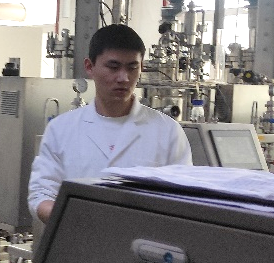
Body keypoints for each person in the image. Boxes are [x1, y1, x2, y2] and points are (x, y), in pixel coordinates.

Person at [29, 24, 192, 222]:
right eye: (113, 67)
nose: (123, 78)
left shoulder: (168, 131)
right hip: (78, 235)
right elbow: (42, 194)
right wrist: (77, 219)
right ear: (89, 67)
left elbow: (184, 198)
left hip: (144, 238)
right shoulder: (61, 129)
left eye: (132, 67)